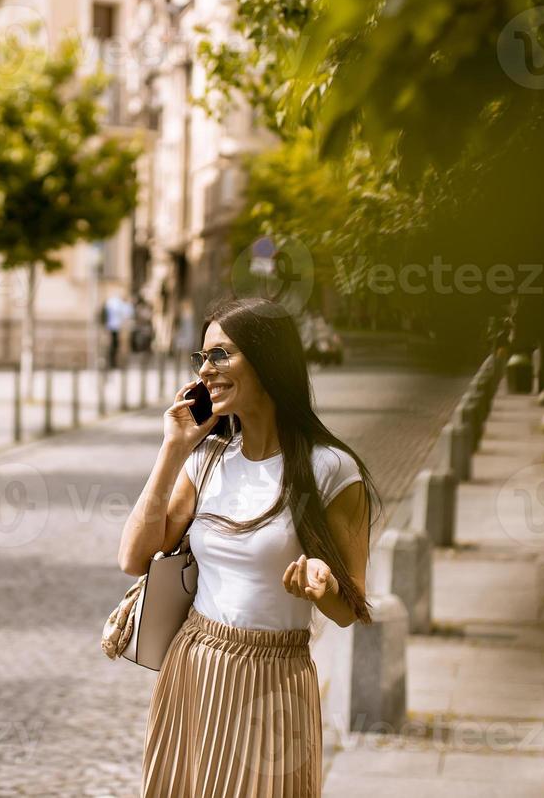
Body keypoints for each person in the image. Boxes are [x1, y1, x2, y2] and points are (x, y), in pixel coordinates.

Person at [117, 297, 376, 797]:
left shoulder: (332, 470)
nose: (206, 370)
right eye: (202, 358)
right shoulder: (208, 460)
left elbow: (349, 610)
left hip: (275, 681)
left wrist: (320, 589)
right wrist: (173, 449)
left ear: (267, 360)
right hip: (196, 666)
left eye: (221, 355)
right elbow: (133, 558)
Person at [102, 293, 132, 369]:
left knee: (113, 345)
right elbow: (127, 313)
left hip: (112, 327)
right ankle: (112, 363)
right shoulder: (117, 304)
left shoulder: (111, 303)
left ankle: (112, 363)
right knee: (114, 345)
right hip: (114, 327)